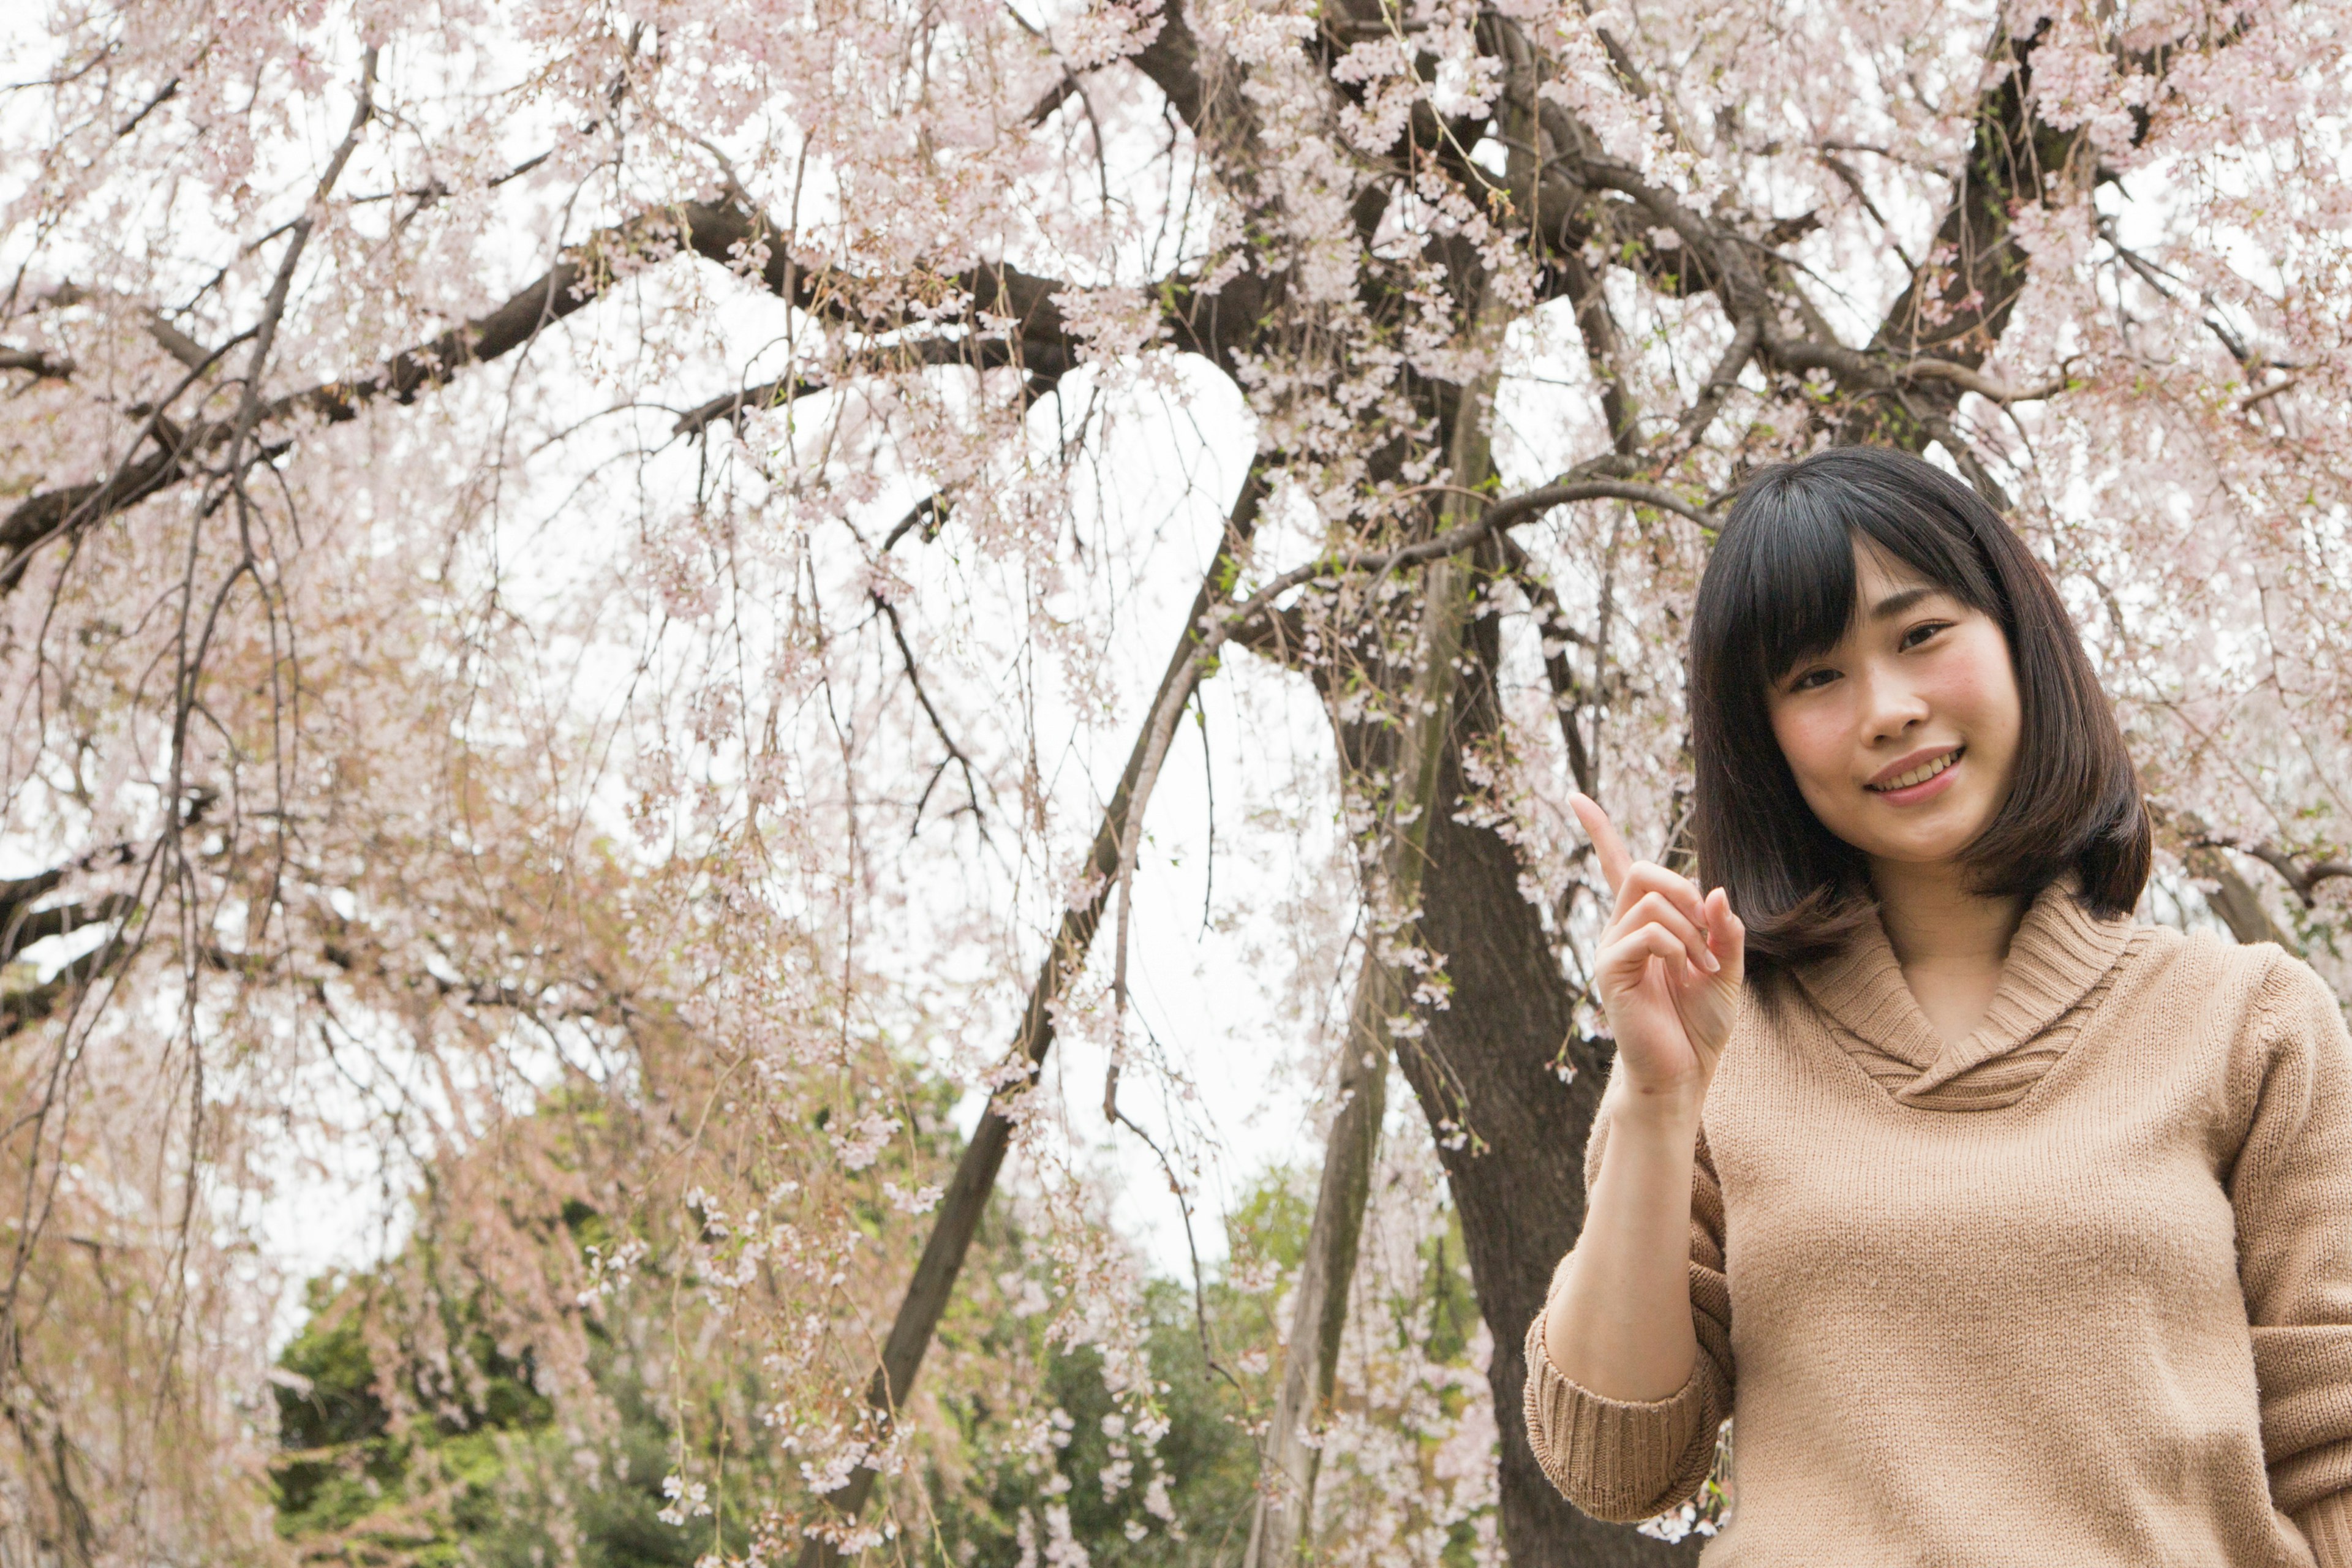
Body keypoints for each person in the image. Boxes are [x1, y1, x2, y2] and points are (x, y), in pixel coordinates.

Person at [1525, 445, 2352, 1566]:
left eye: (1921, 636)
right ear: (1760, 737)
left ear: (2021, 641)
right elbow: (1617, 1466)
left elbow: (2334, 1448)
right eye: (1815, 677)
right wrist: (1661, 1103)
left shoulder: (2249, 1021)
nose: (1889, 709)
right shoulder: (1714, 1052)